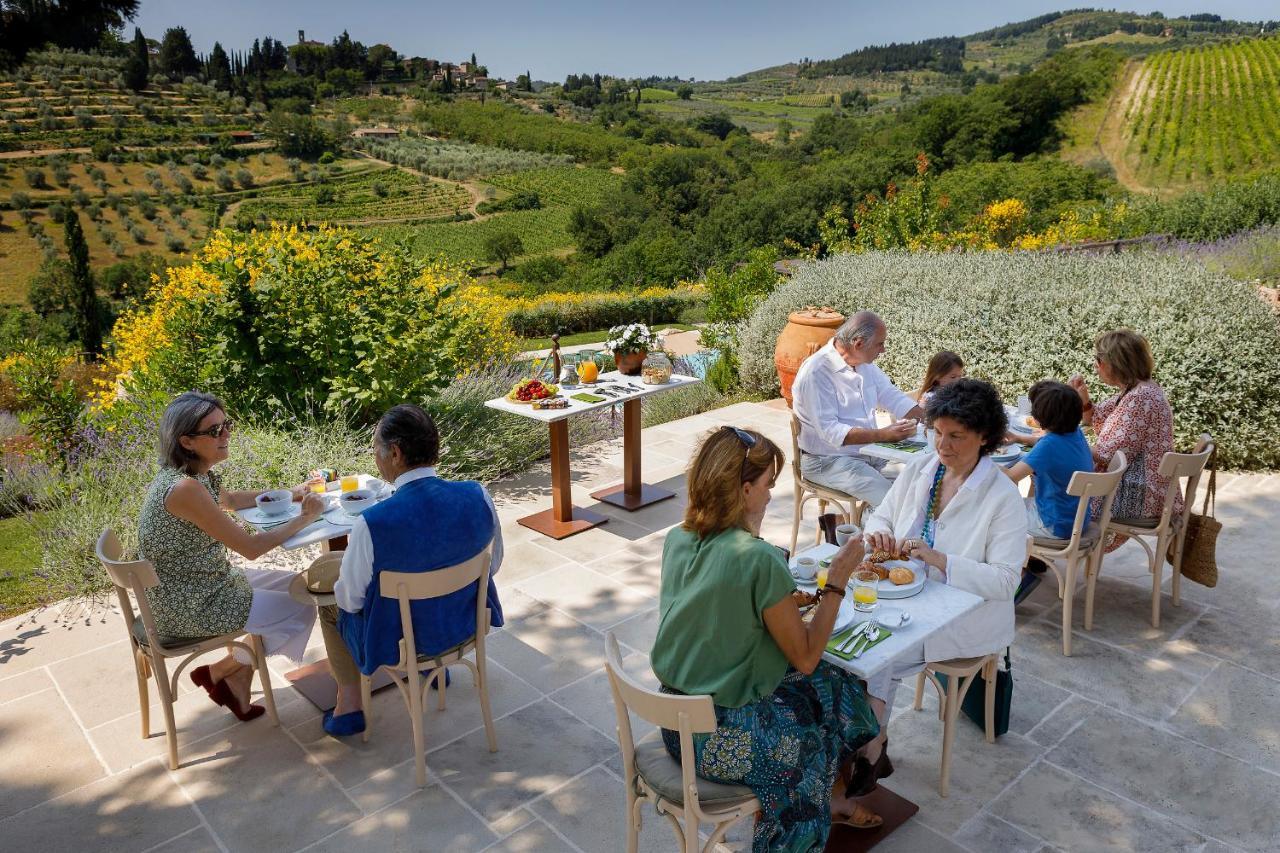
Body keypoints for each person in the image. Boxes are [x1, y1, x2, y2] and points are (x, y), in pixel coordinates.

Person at [651, 426, 881, 851]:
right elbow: (808, 655)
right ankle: (800, 814)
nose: (772, 496)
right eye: (767, 485)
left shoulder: (678, 538)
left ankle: (842, 785)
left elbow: (722, 616)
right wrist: (837, 582)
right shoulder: (757, 558)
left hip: (675, 720)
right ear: (743, 489)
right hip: (714, 738)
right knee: (812, 749)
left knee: (837, 685)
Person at [860, 378, 1026, 763]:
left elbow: (1006, 581)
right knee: (846, 650)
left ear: (984, 437)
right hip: (908, 601)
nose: (942, 446)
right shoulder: (924, 466)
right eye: (937, 433)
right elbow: (880, 515)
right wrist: (881, 535)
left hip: (962, 616)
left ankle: (866, 758)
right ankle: (862, 749)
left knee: (875, 660)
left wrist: (939, 560)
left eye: (956, 436)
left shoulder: (1001, 497)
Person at [138, 391, 327, 720]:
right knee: (303, 605)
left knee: (301, 587)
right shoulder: (185, 489)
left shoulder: (195, 475)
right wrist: (304, 518)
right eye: (214, 431)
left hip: (203, 584)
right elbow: (250, 549)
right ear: (187, 441)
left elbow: (231, 500)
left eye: (226, 425)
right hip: (191, 604)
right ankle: (219, 671)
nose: (226, 434)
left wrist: (291, 493)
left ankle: (234, 678)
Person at [318, 404, 504, 737]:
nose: (375, 457)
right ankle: (436, 667)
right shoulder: (479, 495)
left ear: (396, 453)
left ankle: (348, 707)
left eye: (376, 449)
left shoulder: (371, 524)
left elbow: (351, 601)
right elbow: (494, 564)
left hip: (401, 643)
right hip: (464, 625)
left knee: (330, 603)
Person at [792, 311, 925, 509]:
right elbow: (831, 431)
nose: (883, 350)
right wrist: (883, 435)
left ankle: (858, 525)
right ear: (858, 343)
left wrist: (933, 421)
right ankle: (866, 532)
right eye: (880, 344)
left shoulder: (864, 365)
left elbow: (892, 396)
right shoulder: (817, 371)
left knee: (923, 482)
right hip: (828, 462)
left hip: (868, 456)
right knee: (892, 502)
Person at [1069, 329, 1181, 550]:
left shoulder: (1140, 398)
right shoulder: (1139, 390)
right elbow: (1098, 419)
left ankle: (1049, 544)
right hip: (1152, 491)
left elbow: (1107, 454)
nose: (1096, 365)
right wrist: (1083, 397)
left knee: (1055, 482)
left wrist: (1059, 441)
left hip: (1140, 496)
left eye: (1099, 360)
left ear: (1115, 364)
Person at [1003, 381, 1095, 603]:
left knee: (997, 518)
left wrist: (977, 459)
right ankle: (1032, 557)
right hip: (1076, 519)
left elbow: (1011, 477)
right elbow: (1045, 441)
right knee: (1015, 506)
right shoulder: (1075, 433)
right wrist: (1019, 437)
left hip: (1054, 524)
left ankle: (1017, 579)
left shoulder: (1049, 446)